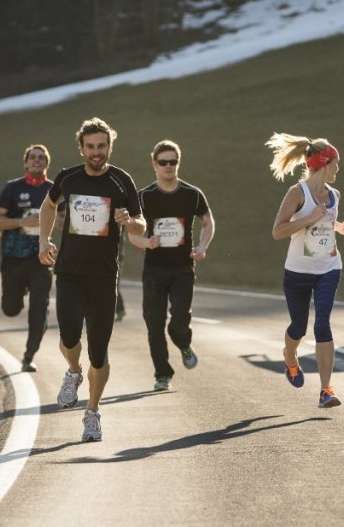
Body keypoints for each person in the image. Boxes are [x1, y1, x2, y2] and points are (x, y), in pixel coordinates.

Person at [39, 117, 145, 442]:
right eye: (90, 147)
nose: (96, 152)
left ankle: (92, 413)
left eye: (102, 146)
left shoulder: (121, 180)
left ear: (110, 146)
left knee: (99, 353)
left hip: (103, 276)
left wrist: (130, 220)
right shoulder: (67, 178)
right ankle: (73, 372)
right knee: (69, 338)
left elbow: (142, 223)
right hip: (69, 271)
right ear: (81, 148)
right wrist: (43, 241)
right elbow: (48, 205)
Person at [266, 133, 344, 408]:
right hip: (298, 271)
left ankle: (326, 389)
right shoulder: (297, 193)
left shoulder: (334, 195)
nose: (338, 169)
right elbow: (277, 231)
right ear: (324, 164)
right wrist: (309, 219)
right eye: (335, 164)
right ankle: (290, 357)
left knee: (322, 322)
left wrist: (341, 228)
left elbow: (327, 223)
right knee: (299, 326)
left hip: (329, 267)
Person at [128, 140, 215, 392]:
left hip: (182, 270)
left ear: (179, 163)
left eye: (173, 162)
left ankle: (183, 343)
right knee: (154, 325)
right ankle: (162, 374)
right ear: (154, 164)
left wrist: (201, 247)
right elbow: (132, 233)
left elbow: (208, 222)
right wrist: (146, 242)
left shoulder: (192, 194)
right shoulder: (143, 196)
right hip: (154, 270)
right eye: (163, 162)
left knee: (178, 319)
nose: (168, 166)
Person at [0, 144, 54, 373]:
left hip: (42, 258)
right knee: (10, 308)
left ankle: (29, 356)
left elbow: (66, 217)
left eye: (41, 158)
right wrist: (22, 222)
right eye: (33, 157)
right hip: (13, 257)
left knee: (39, 308)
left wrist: (51, 220)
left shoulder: (53, 189)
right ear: (26, 162)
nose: (37, 160)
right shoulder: (12, 188)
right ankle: (18, 293)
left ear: (47, 163)